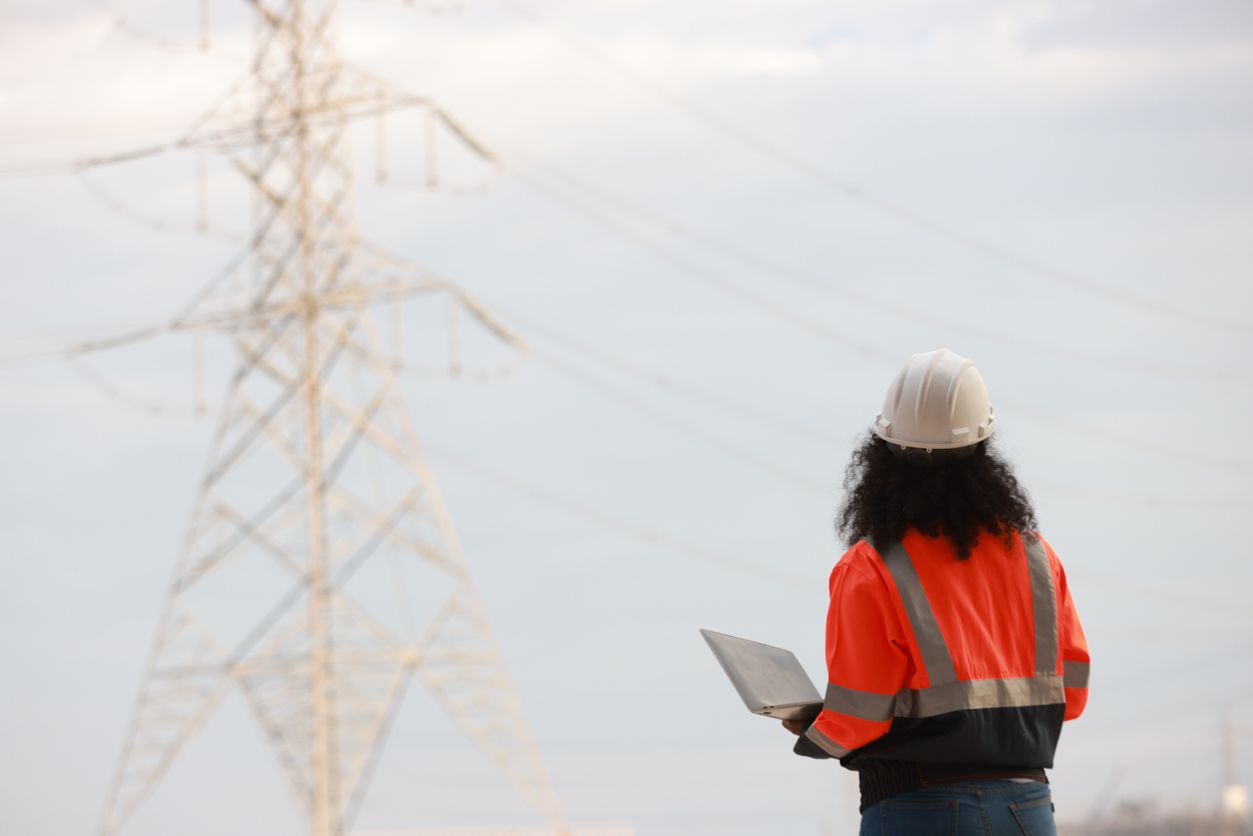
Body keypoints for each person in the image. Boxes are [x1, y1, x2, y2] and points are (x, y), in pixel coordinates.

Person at [785, 348, 1089, 836]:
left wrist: (811, 730)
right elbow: (1070, 696)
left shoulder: (871, 566)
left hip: (920, 808)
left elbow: (858, 716)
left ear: (880, 454)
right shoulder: (1038, 557)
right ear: (986, 450)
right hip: (1028, 808)